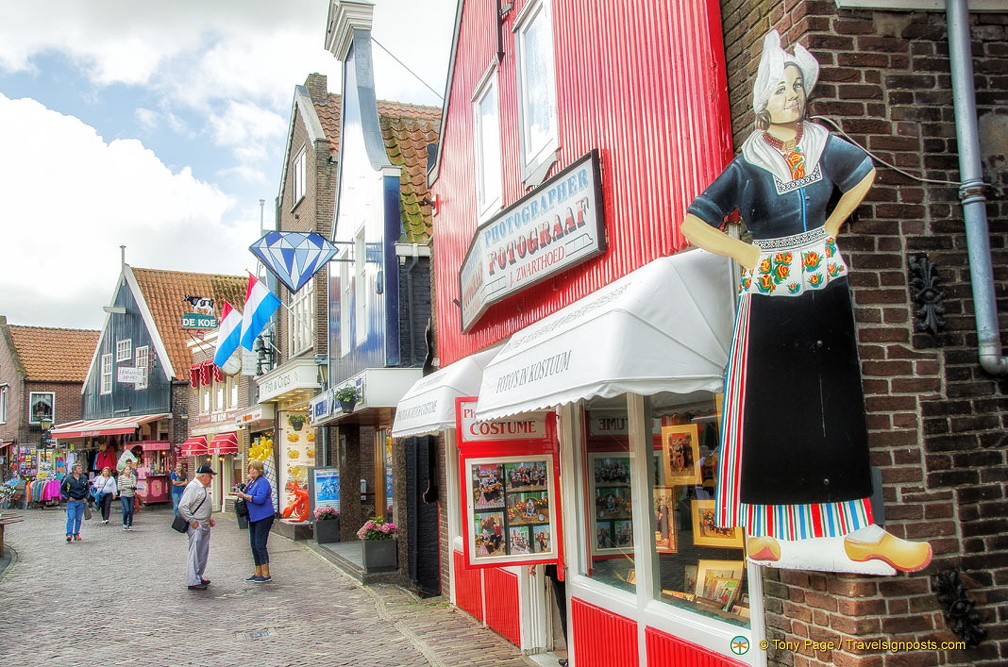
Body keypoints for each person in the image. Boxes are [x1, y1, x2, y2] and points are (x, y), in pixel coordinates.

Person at [680, 30, 930, 573]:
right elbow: (693, 223)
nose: (791, 95)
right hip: (771, 285)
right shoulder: (747, 165)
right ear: (762, 102)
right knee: (773, 401)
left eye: (796, 85)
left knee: (836, 397)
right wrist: (746, 254)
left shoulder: (822, 145)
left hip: (823, 274)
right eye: (780, 88)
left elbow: (864, 174)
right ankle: (767, 531)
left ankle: (859, 529)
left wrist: (832, 225)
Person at [178, 464, 217, 590]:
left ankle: (198, 576)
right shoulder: (193, 487)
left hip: (203, 523)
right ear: (203, 476)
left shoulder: (201, 487)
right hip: (197, 525)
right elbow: (183, 506)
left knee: (202, 552)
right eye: (210, 476)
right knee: (195, 552)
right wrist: (192, 521)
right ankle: (192, 580)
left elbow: (199, 504)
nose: (211, 478)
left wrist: (208, 517)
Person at [235, 460, 274, 583]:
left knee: (260, 545)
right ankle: (258, 572)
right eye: (250, 469)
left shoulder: (262, 482)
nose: (251, 471)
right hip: (253, 517)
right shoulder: (252, 482)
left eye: (254, 469)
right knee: (253, 545)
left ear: (259, 470)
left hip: (263, 516)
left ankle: (266, 573)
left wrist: (245, 496)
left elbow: (260, 499)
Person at [60, 463, 90, 542]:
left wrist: (86, 497)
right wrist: (68, 497)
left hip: (81, 501)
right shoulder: (68, 479)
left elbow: (87, 489)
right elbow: (62, 489)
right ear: (74, 471)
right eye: (79, 468)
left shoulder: (84, 478)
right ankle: (69, 534)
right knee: (71, 518)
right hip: (72, 501)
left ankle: (76, 534)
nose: (81, 470)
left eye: (80, 468)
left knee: (78, 519)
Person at [117, 463, 138, 530]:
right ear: (124, 470)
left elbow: (133, 485)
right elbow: (119, 487)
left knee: (131, 511)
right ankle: (124, 523)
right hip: (124, 495)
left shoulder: (133, 477)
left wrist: (125, 486)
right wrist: (127, 486)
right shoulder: (121, 477)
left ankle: (130, 525)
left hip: (131, 495)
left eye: (129, 469)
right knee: (126, 510)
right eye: (126, 469)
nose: (128, 471)